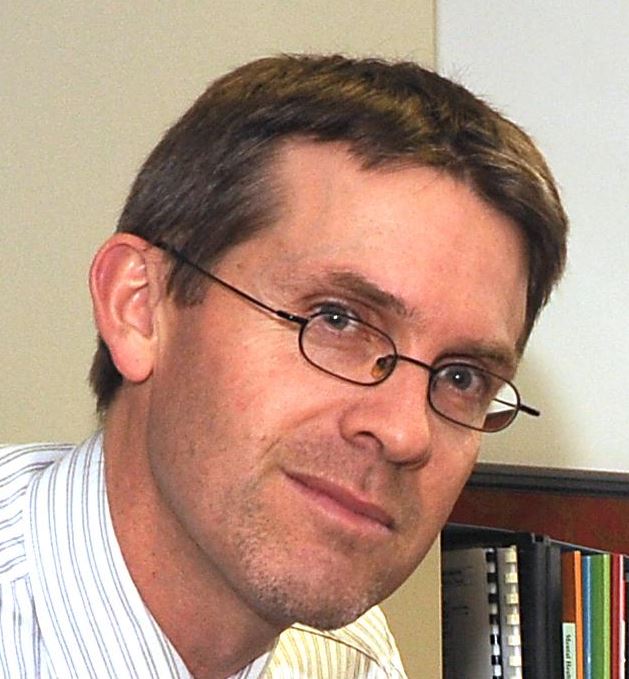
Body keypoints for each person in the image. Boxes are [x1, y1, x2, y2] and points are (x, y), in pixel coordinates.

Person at [0, 54, 568, 678]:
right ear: (138, 306)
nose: (406, 432)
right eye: (337, 320)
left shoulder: (347, 658)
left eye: (462, 378)